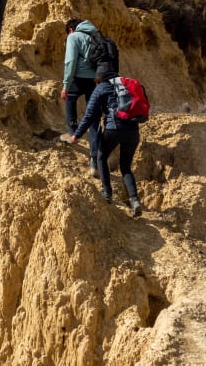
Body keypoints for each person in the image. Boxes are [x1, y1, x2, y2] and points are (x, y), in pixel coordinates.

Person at [68, 61, 143, 217]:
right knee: (125, 167)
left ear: (100, 76)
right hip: (133, 131)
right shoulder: (127, 84)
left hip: (113, 129)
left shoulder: (101, 87)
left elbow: (89, 115)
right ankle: (135, 200)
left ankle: (107, 192)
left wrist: (77, 134)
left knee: (101, 156)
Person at [59, 18, 101, 176]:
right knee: (94, 119)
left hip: (79, 78)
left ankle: (72, 132)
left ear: (70, 29)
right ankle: (94, 161)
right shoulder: (95, 35)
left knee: (70, 98)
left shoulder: (73, 36)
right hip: (96, 79)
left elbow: (70, 61)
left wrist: (65, 85)